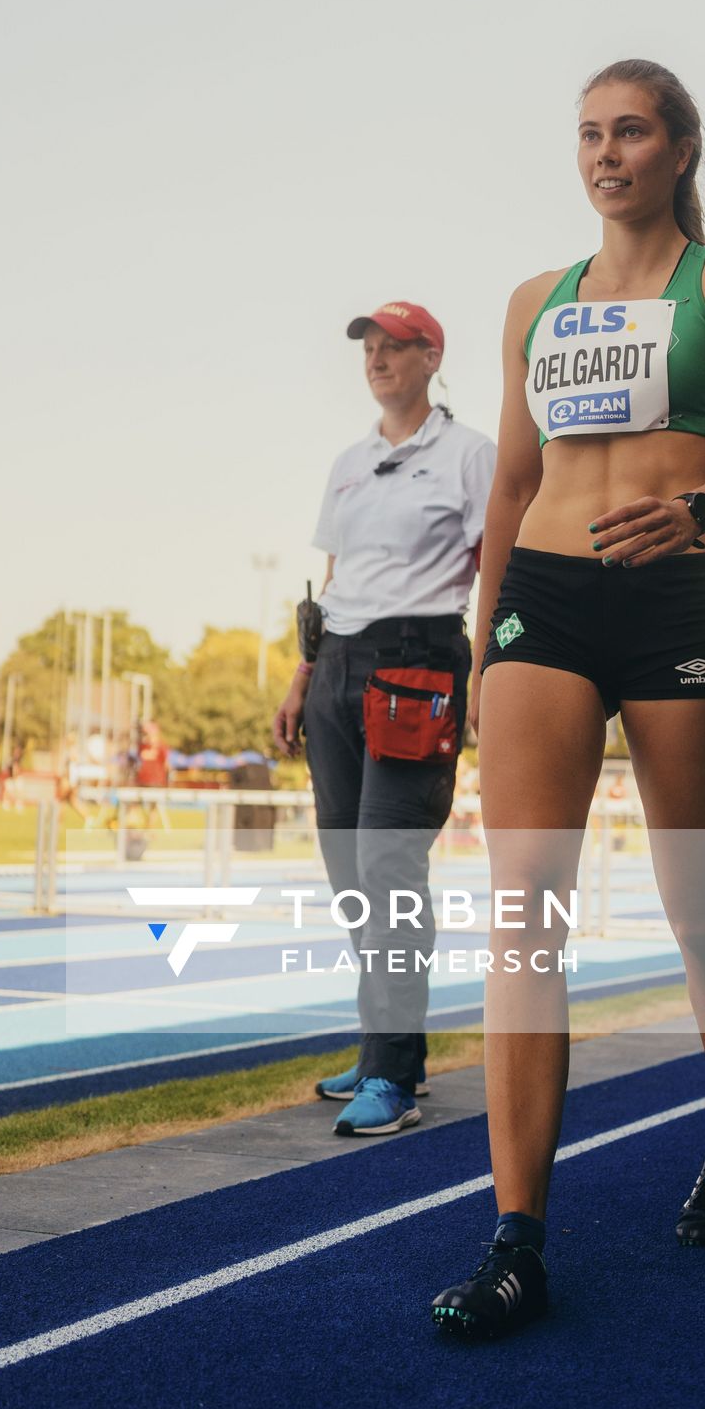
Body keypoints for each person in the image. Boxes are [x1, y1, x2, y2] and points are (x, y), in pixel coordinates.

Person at [431, 59, 705, 1338]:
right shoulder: (537, 299)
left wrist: (696, 507)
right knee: (522, 916)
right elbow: (510, 488)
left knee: (701, 917)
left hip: (678, 599)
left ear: (680, 149)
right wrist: (485, 651)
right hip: (546, 603)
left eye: (629, 131)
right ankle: (516, 1238)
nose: (604, 153)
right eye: (587, 133)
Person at [273, 301, 495, 1135]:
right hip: (336, 664)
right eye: (369, 346)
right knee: (349, 876)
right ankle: (382, 1051)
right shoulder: (349, 460)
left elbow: (493, 564)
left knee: (389, 869)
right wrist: (302, 675)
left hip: (418, 663)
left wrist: (485, 675)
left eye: (395, 345)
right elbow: (334, 573)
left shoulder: (471, 455)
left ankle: (394, 1078)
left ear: (432, 356)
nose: (377, 357)